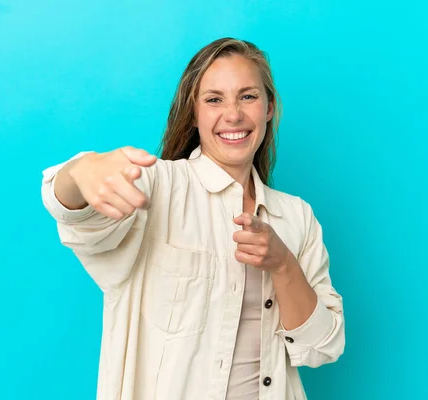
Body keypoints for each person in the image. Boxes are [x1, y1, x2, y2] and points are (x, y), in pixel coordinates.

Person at [41, 37, 345, 400]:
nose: (233, 114)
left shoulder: (297, 216)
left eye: (248, 96)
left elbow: (321, 347)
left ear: (269, 108)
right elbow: (78, 218)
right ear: (195, 113)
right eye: (214, 99)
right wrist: (81, 170)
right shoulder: (158, 187)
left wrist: (283, 265)